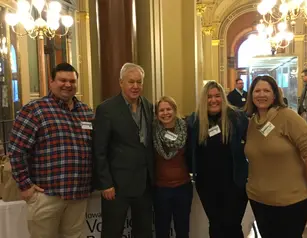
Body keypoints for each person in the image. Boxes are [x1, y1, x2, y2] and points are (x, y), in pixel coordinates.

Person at [8, 63, 94, 238]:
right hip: (47, 195)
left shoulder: (86, 112)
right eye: (62, 80)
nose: (68, 85)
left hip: (78, 194)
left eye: (72, 81)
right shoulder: (35, 110)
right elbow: (16, 150)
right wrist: (25, 186)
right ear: (51, 82)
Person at [245, 75, 307, 238]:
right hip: (259, 199)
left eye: (266, 90)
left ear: (275, 95)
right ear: (251, 95)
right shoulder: (252, 122)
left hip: (290, 201)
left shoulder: (288, 117)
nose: (261, 95)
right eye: (257, 90)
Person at [93, 63, 154, 238]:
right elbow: (99, 150)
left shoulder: (149, 107)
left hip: (144, 184)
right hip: (117, 187)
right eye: (131, 82)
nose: (135, 86)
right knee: (112, 232)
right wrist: (105, 183)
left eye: (139, 82)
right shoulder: (106, 109)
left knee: (144, 232)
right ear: (121, 83)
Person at [187, 81, 249, 237]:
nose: (213, 100)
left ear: (223, 97)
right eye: (209, 96)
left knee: (233, 225)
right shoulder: (195, 122)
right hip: (207, 185)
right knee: (215, 225)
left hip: (235, 184)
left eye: (217, 96)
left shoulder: (237, 118)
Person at [153, 96, 193, 238]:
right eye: (161, 110)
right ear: (157, 114)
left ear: (175, 110)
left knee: (182, 230)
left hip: (183, 188)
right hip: (160, 189)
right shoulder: (152, 132)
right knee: (161, 230)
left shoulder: (186, 129)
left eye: (168, 109)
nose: (165, 113)